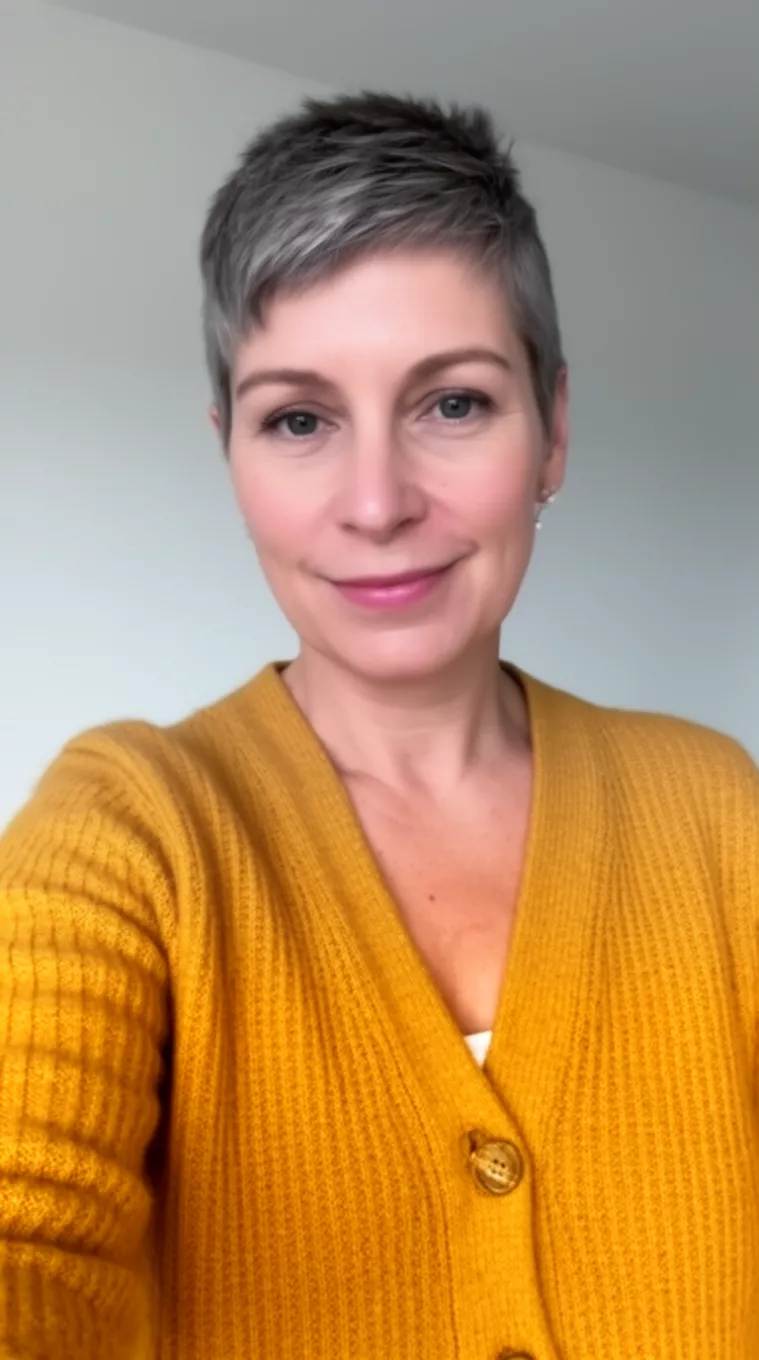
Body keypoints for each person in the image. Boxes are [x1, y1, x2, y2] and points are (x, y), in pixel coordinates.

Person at [1, 91, 758, 1360]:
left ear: (553, 431)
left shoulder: (717, 810)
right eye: (299, 418)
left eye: (451, 403)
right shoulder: (132, 829)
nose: (375, 501)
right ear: (229, 451)